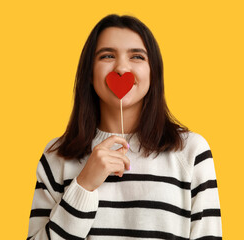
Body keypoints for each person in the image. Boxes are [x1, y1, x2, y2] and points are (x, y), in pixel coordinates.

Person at [27, 14, 222, 240]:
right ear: (89, 73)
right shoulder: (56, 157)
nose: (121, 68)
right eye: (107, 56)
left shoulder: (190, 152)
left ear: (153, 72)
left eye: (137, 57)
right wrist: (84, 185)